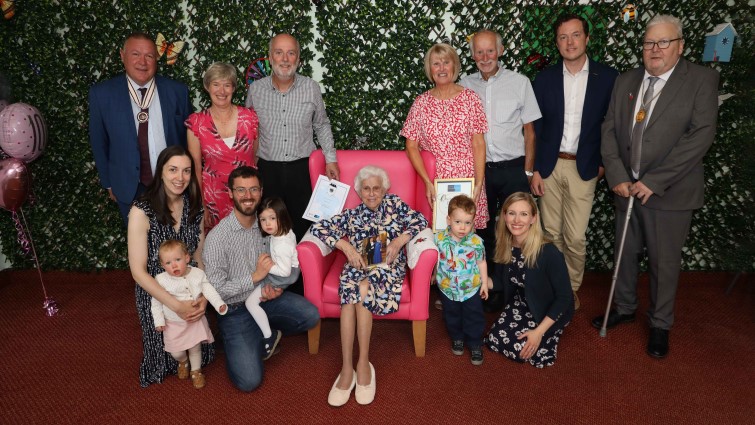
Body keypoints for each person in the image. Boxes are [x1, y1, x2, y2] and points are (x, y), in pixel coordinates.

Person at [595, 14, 719, 359]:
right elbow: (609, 129)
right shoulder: (627, 80)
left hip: (670, 192)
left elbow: (700, 137)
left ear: (679, 46)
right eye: (649, 42)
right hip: (626, 188)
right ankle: (624, 307)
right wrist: (618, 175)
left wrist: (654, 181)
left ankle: (661, 324)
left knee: (664, 264)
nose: (655, 49)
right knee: (625, 251)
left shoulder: (701, 80)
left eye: (663, 42)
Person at [310, 165, 428, 406]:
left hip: (387, 268)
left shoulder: (395, 205)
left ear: (384, 189)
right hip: (357, 266)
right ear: (359, 191)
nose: (372, 193)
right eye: (366, 189)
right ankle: (346, 368)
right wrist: (345, 246)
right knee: (351, 294)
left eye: (376, 188)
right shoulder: (352, 215)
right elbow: (319, 227)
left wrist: (400, 240)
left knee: (362, 290)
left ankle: (363, 363)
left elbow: (421, 220)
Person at [202, 165, 319, 392]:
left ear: (261, 191)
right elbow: (215, 290)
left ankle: (260, 331)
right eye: (241, 190)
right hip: (234, 309)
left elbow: (285, 264)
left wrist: (278, 289)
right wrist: (254, 277)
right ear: (230, 193)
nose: (248, 196)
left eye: (254, 189)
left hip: (265, 298)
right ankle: (242, 335)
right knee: (249, 381)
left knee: (311, 316)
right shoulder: (217, 238)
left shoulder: (268, 224)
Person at [531, 14, 619, 310]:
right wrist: (535, 170)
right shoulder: (544, 80)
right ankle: (555, 288)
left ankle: (571, 289)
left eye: (575, 35)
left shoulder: (608, 78)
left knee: (575, 236)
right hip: (550, 168)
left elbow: (612, 125)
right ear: (557, 43)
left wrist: (604, 165)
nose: (570, 42)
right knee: (550, 234)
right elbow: (536, 128)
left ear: (587, 39)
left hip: (585, 167)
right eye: (563, 37)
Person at [459, 30, 541, 312]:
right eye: (479, 52)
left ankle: (516, 288)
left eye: (490, 51)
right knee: (480, 230)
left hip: (512, 169)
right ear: (472, 55)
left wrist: (528, 174)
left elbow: (530, 132)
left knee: (516, 229)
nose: (485, 58)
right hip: (479, 172)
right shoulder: (464, 85)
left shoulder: (519, 83)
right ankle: (485, 286)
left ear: (500, 51)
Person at [127, 145, 212, 388]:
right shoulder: (141, 211)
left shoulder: (195, 206)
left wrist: (202, 297)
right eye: (173, 170)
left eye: (186, 171)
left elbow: (199, 257)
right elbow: (138, 271)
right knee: (163, 361)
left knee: (202, 354)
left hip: (189, 287)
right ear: (161, 172)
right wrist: (175, 305)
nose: (180, 177)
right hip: (156, 292)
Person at [245, 33, 340, 244]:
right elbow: (249, 130)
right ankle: (274, 275)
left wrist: (331, 158)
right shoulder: (256, 90)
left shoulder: (311, 88)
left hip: (302, 170)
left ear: (298, 59)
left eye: (291, 53)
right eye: (279, 53)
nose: (285, 59)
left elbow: (321, 124)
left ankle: (304, 277)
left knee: (302, 226)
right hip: (268, 171)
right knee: (270, 228)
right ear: (270, 58)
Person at [90, 32, 192, 224]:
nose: (142, 62)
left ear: (157, 59)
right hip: (129, 186)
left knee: (174, 247)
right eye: (135, 54)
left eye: (149, 56)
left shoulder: (178, 92)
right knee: (140, 248)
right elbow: (98, 141)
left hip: (171, 183)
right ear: (122, 55)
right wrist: (109, 182)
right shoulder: (102, 94)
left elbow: (189, 139)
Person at [401, 43, 488, 230]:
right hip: (435, 182)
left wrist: (479, 183)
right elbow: (411, 146)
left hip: (468, 179)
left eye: (446, 62)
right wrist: (426, 181)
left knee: (466, 240)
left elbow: (478, 144)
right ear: (430, 69)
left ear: (454, 66)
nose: (441, 68)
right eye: (436, 64)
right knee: (438, 237)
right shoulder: (421, 103)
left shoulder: (471, 99)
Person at [486, 192, 574, 367]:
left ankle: (548, 333)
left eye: (524, 214)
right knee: (494, 339)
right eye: (511, 213)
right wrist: (474, 278)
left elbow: (564, 297)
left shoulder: (549, 252)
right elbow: (498, 282)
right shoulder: (506, 244)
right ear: (504, 216)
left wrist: (539, 332)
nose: (516, 220)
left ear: (534, 218)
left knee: (525, 350)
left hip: (549, 307)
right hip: (523, 301)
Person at [186, 62, 259, 233]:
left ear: (233, 88)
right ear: (207, 87)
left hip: (247, 197)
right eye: (216, 84)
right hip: (213, 200)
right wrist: (200, 204)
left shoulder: (250, 118)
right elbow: (195, 167)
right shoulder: (196, 122)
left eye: (227, 85)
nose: (222, 91)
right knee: (216, 250)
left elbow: (254, 156)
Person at [152, 239, 228, 389]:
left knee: (195, 349)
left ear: (187, 258)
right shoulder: (161, 280)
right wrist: (158, 321)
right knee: (176, 351)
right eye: (168, 263)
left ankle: (196, 371)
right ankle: (182, 361)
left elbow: (208, 290)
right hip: (173, 323)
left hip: (194, 320)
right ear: (162, 265)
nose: (173, 265)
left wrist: (219, 304)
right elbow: (156, 302)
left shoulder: (197, 274)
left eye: (178, 260)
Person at [434, 195, 489, 366]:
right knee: (452, 315)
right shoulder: (439, 239)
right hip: (447, 288)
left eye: (468, 223)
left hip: (470, 289)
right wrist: (432, 274)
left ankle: (474, 343)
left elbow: (481, 262)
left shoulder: (476, 242)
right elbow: (435, 259)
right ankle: (457, 337)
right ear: (448, 220)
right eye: (458, 222)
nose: (463, 227)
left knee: (474, 315)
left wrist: (485, 283)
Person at [244, 197, 300, 359]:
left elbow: (284, 272)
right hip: (288, 270)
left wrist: (266, 268)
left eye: (272, 218)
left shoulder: (281, 244)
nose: (267, 224)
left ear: (281, 217)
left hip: (282, 277)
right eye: (263, 219)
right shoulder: (284, 232)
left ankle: (269, 335)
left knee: (250, 302)